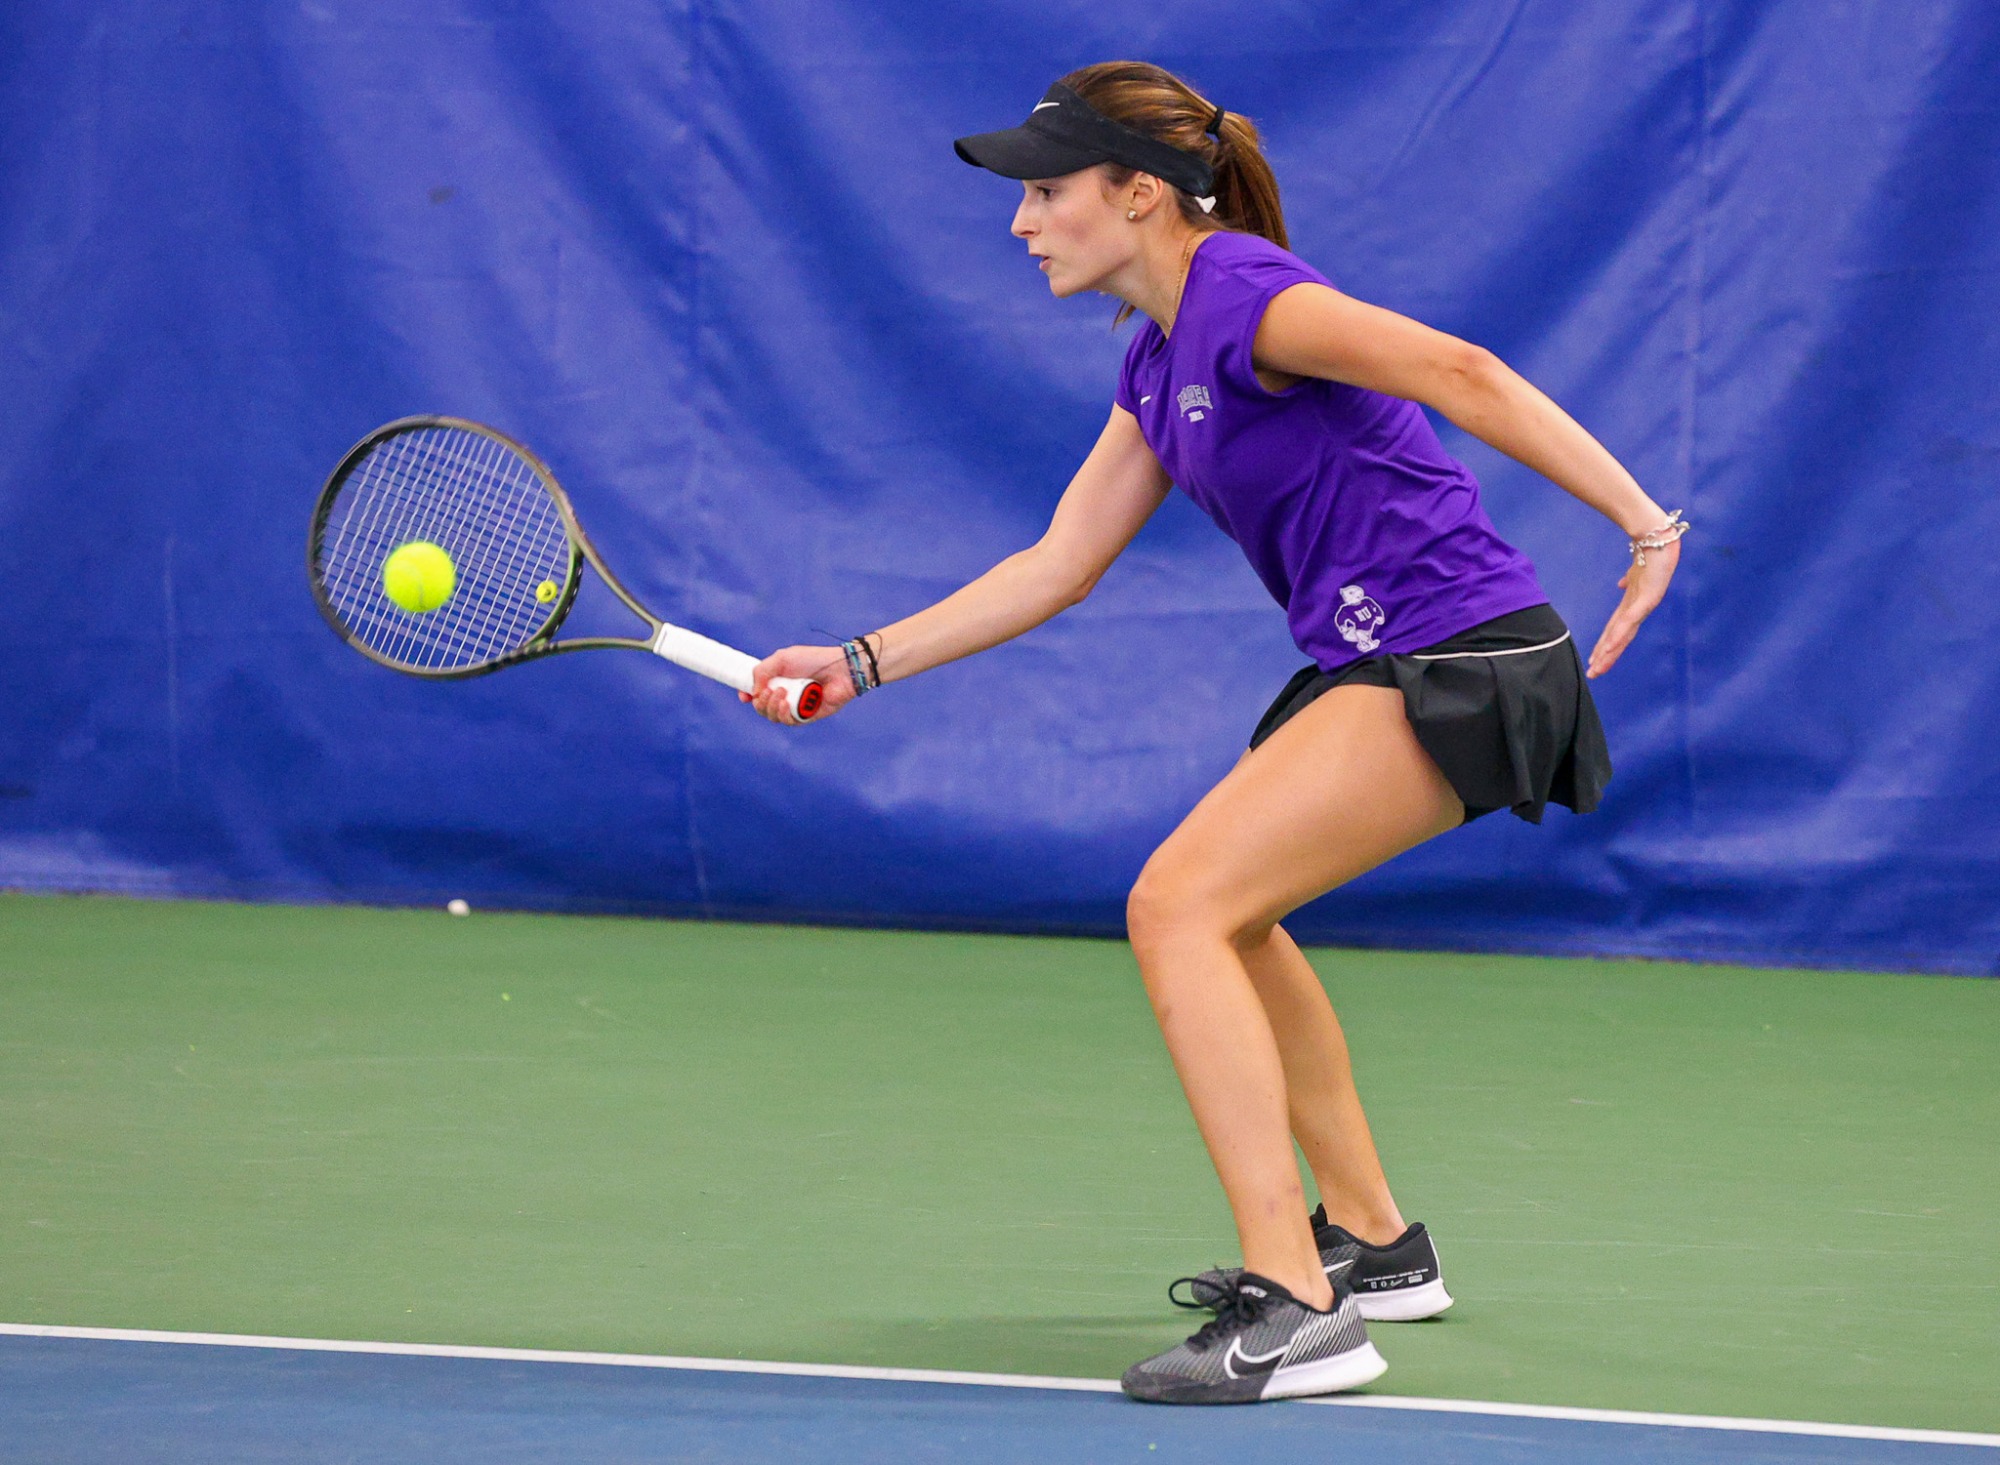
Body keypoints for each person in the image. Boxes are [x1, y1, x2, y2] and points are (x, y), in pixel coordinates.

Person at [744, 60, 1684, 1405]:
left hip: (1463, 657)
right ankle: (1370, 1241)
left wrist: (1643, 526)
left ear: (1140, 194)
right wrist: (857, 663)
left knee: (1176, 903)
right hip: (1391, 655)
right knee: (1230, 916)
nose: (1022, 220)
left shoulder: (1248, 294)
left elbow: (1458, 370)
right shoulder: (1157, 354)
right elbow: (1058, 561)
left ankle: (1295, 1304)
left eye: (1047, 190)